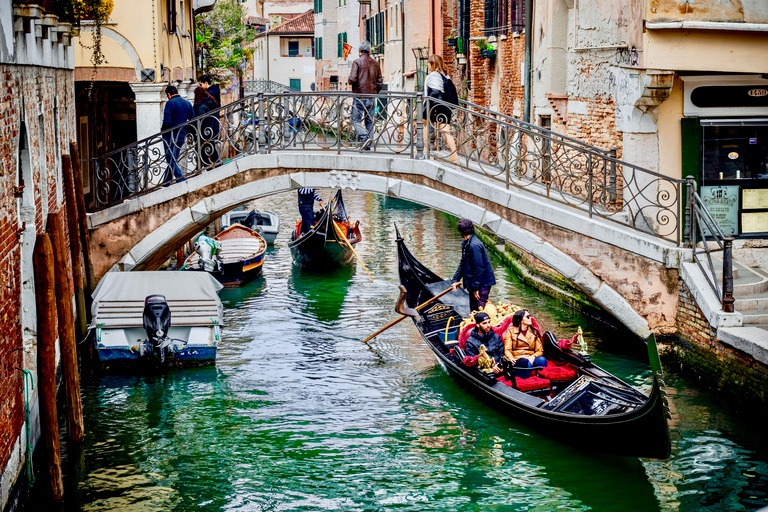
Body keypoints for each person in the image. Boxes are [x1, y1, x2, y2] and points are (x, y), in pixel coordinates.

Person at [450, 218, 496, 311]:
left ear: (461, 232)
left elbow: (479, 268)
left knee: (479, 311)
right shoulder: (466, 244)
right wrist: (455, 280)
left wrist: (475, 288)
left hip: (482, 283)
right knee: (474, 310)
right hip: (474, 282)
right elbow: (463, 263)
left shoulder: (474, 246)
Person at [348, 40, 383, 151]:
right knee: (369, 121)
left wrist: (349, 81)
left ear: (359, 50)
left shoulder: (357, 62)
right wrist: (374, 92)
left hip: (359, 96)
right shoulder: (376, 63)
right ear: (369, 50)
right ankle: (368, 146)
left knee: (355, 120)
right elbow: (380, 82)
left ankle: (364, 137)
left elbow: (353, 79)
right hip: (371, 96)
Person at [424, 55, 458, 164]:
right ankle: (454, 155)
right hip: (444, 106)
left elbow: (435, 91)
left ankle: (424, 149)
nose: (427, 65)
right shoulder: (444, 75)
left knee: (422, 123)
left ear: (432, 64)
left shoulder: (433, 75)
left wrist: (427, 104)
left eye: (429, 63)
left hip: (436, 105)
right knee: (445, 131)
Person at [162, 85, 194, 184]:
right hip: (182, 135)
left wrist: (163, 131)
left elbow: (167, 121)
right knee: (173, 158)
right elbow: (193, 120)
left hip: (170, 136)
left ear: (169, 95)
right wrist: (188, 132)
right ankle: (166, 181)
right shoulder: (187, 103)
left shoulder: (170, 103)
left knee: (170, 158)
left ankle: (180, 179)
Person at [503, 309, 548, 379]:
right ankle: (523, 380)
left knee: (542, 360)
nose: (530, 318)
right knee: (525, 362)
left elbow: (540, 350)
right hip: (518, 359)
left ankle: (543, 380)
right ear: (520, 320)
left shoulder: (534, 331)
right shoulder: (510, 331)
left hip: (531, 357)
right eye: (527, 317)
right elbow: (507, 349)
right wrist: (510, 358)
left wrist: (533, 357)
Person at [197, 75, 221, 165]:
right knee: (209, 145)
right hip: (212, 123)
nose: (200, 87)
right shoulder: (214, 92)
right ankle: (216, 163)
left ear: (206, 83)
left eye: (201, 84)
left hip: (209, 124)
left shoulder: (211, 94)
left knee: (207, 145)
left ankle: (206, 165)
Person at [193, 85, 219, 167]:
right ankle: (217, 164)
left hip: (203, 131)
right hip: (211, 129)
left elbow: (201, 120)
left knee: (200, 149)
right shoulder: (211, 102)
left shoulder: (201, 106)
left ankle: (206, 168)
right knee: (210, 148)